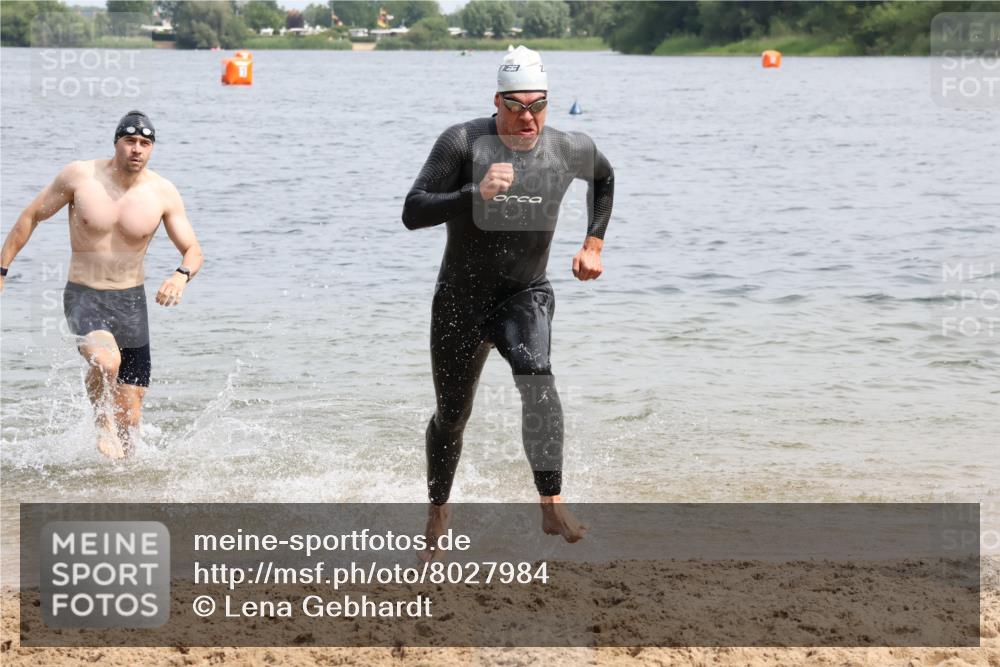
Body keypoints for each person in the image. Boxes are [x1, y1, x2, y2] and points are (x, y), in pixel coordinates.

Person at [402, 46, 614, 559]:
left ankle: (550, 502)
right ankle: (437, 510)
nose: (528, 117)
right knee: (452, 416)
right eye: (516, 105)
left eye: (538, 105)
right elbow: (413, 211)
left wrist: (593, 243)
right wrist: (475, 194)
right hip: (460, 298)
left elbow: (604, 179)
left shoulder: (568, 148)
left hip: (525, 294)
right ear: (496, 101)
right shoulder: (462, 142)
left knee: (537, 376)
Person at [0, 110, 203, 459]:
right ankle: (100, 422)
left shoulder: (163, 192)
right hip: (85, 295)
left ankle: (120, 488)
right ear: (116, 143)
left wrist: (180, 276)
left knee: (131, 419)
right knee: (105, 361)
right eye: (130, 141)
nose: (137, 149)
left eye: (145, 143)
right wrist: (2, 270)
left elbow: (193, 249)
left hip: (132, 304)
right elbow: (31, 216)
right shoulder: (80, 177)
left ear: (152, 149)